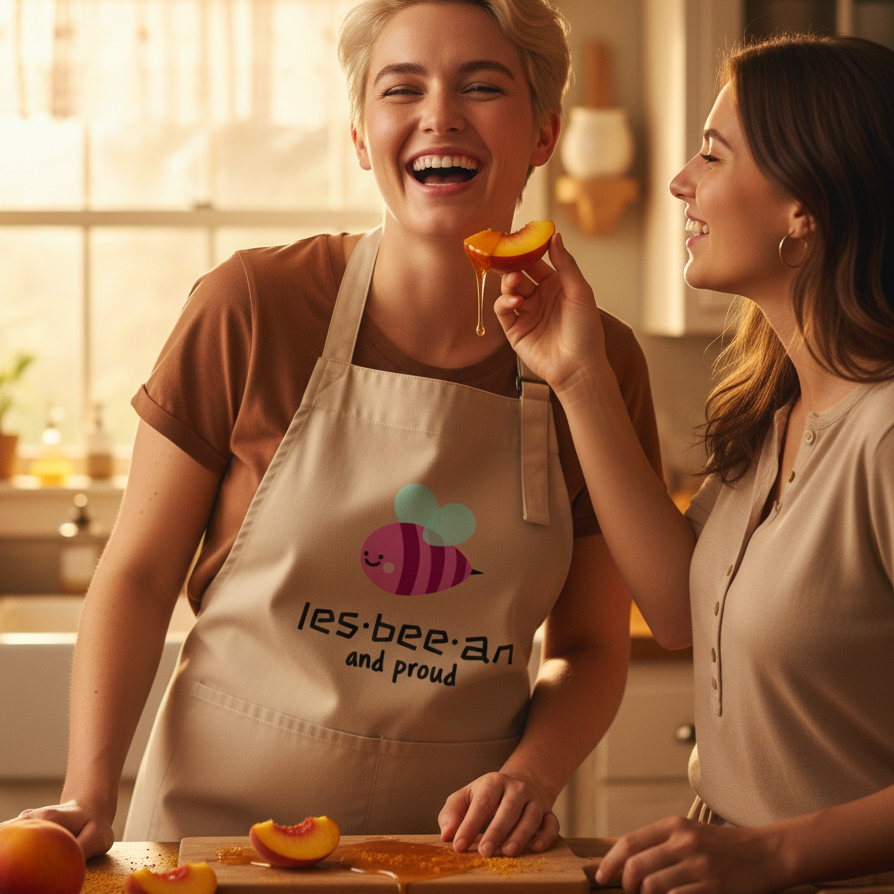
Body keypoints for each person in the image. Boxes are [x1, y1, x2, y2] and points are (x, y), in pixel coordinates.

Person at [1, 0, 663, 860]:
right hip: (211, 843)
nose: (439, 115)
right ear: (359, 135)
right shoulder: (250, 308)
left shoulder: (597, 359)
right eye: (401, 88)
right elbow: (135, 574)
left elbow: (590, 645)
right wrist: (87, 790)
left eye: (482, 85)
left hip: (457, 861)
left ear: (543, 131)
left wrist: (533, 774)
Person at [495, 32, 894, 891]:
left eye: (713, 155)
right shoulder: (777, 414)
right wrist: (577, 373)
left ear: (808, 207)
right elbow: (676, 609)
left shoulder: (886, 438)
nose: (682, 180)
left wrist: (774, 851)